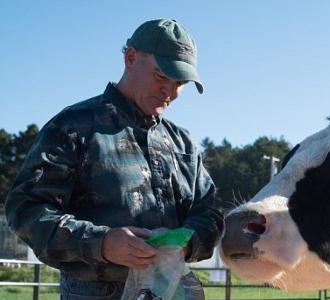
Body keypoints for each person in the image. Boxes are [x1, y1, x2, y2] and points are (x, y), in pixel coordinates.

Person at [5, 19, 224, 299]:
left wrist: (185, 242)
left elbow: (210, 215)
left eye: (180, 82)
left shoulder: (183, 144)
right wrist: (103, 243)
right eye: (161, 75)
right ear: (130, 58)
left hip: (169, 290)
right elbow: (25, 210)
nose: (169, 91)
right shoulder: (74, 127)